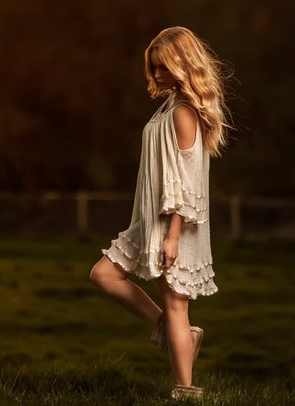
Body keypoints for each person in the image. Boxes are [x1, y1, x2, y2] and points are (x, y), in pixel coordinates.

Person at [89, 26, 233, 401]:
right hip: (150, 220)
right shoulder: (170, 104)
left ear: (182, 65)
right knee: (104, 275)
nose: (156, 75)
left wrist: (172, 236)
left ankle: (186, 390)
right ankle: (170, 331)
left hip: (173, 224)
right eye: (153, 68)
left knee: (175, 304)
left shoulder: (184, 112)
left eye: (163, 68)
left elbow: (187, 182)